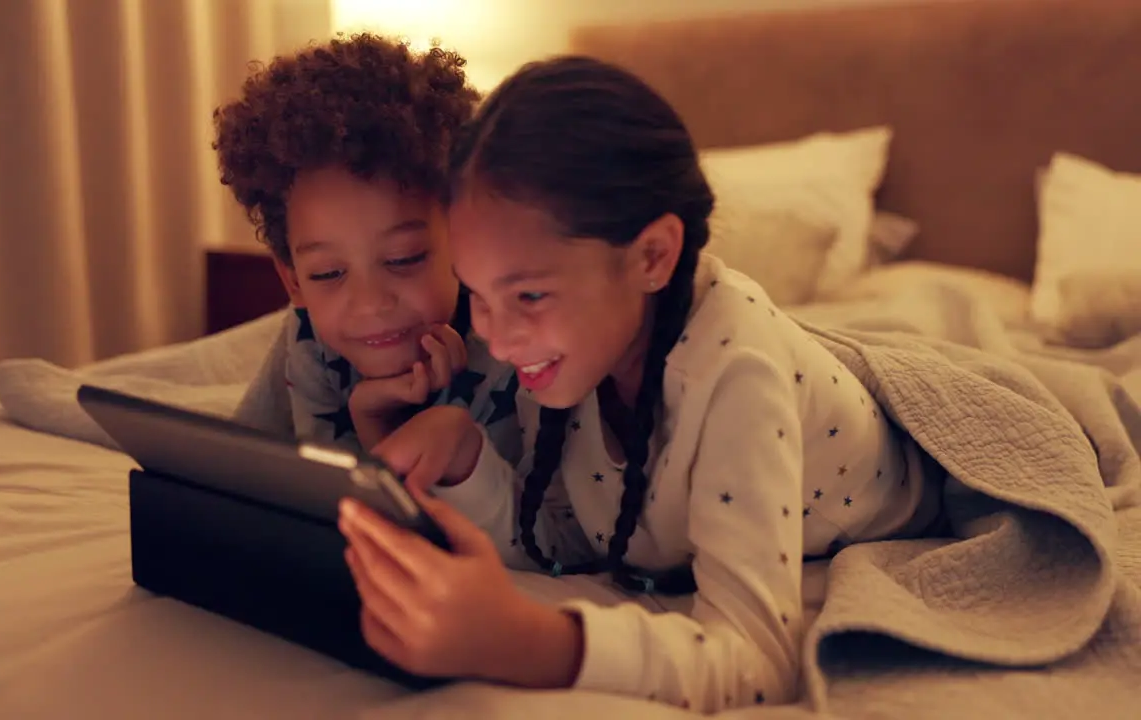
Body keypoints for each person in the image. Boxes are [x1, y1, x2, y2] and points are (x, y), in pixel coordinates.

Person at [335, 56, 942, 712]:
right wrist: (464, 457)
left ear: (653, 256)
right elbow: (570, 541)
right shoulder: (570, 352)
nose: (500, 340)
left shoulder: (736, 374)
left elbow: (759, 662)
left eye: (530, 294)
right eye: (477, 294)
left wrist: (528, 641)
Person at [211, 33, 520, 460]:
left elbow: (477, 524)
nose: (370, 304)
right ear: (294, 281)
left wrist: (377, 428)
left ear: (464, 240)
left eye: (403, 259)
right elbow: (233, 467)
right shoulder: (307, 336)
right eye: (327, 274)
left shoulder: (512, 347)